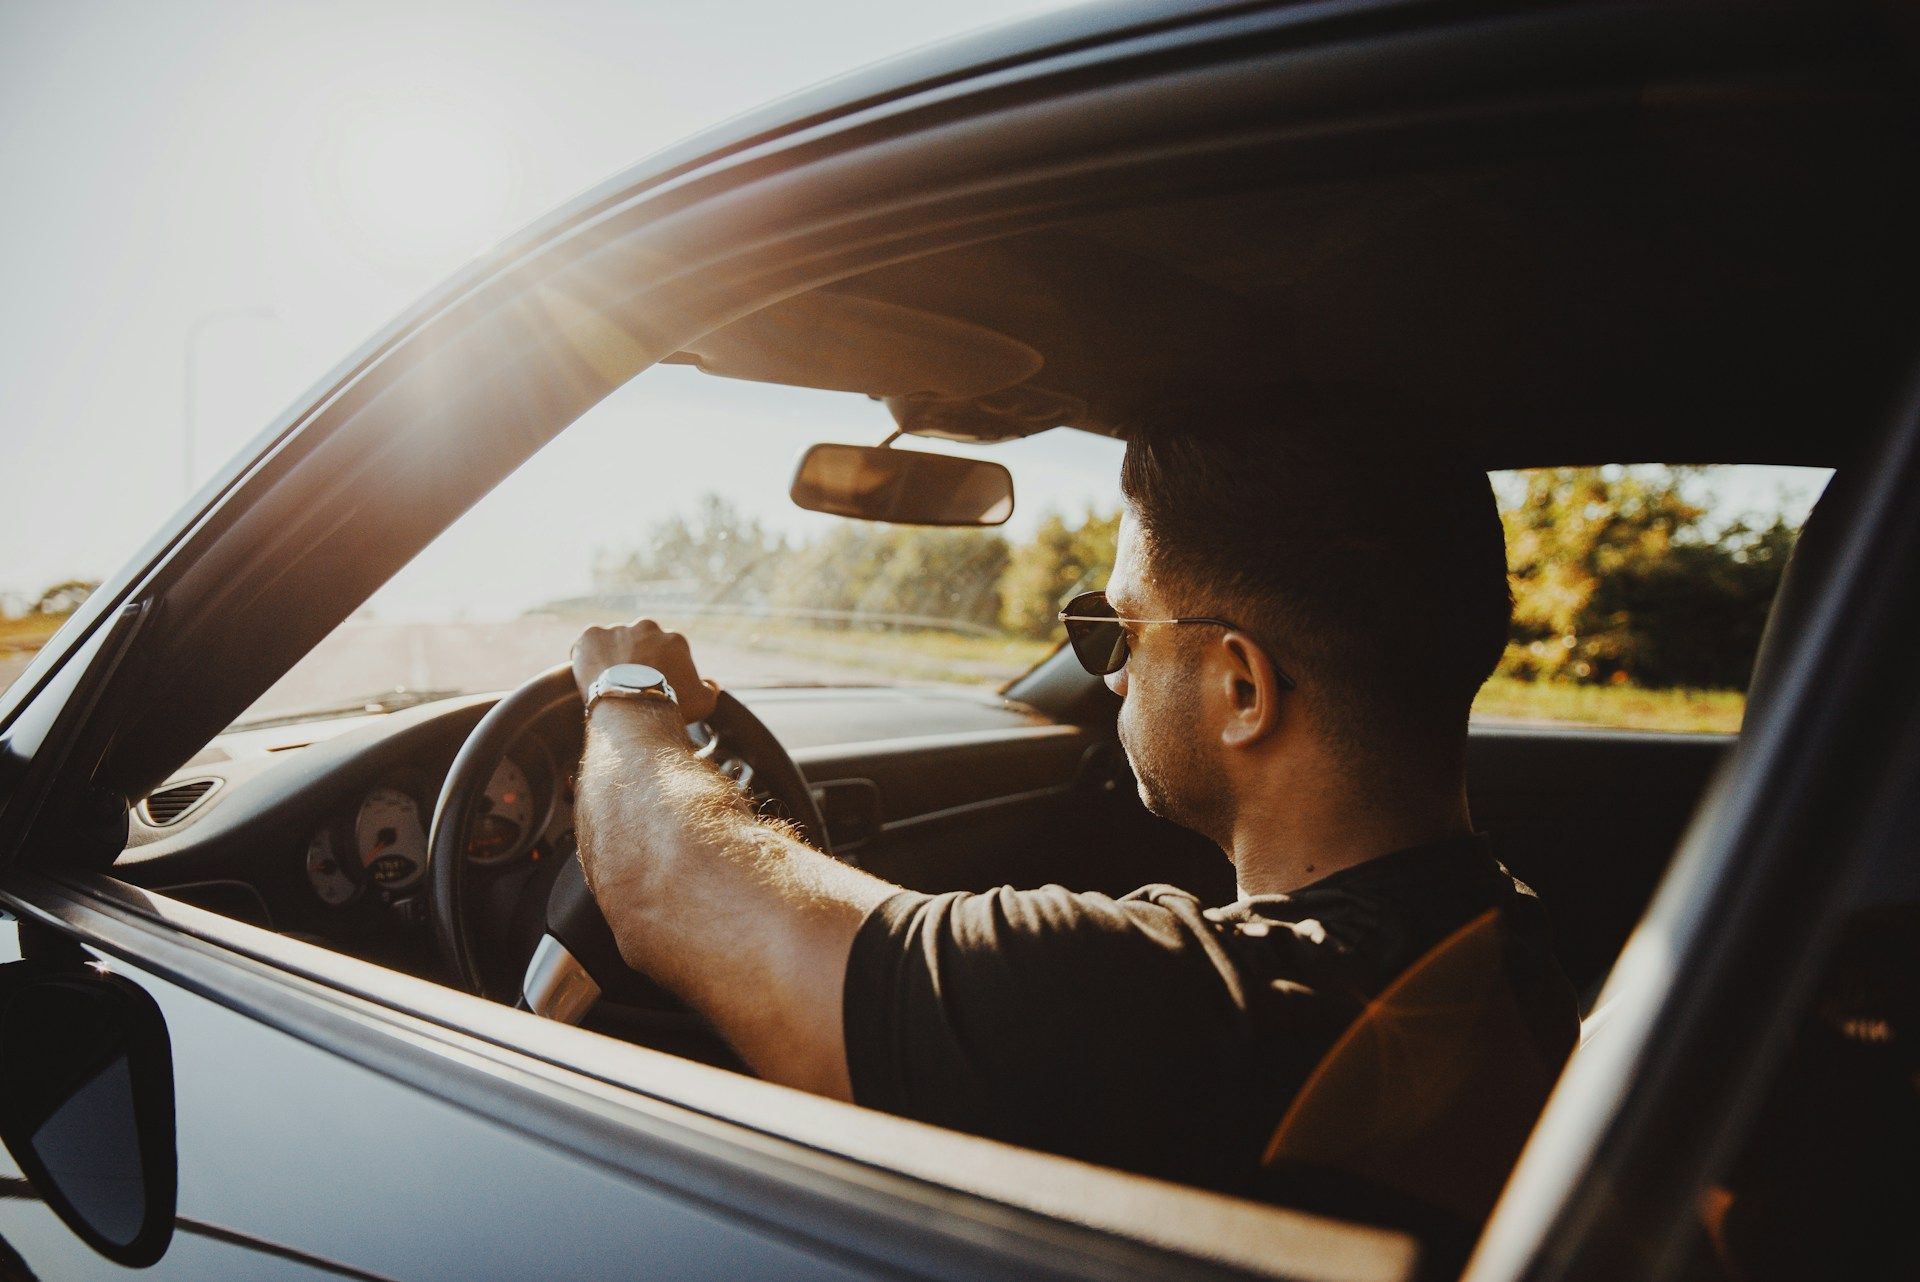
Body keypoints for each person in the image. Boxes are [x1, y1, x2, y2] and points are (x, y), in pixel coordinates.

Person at [566, 388, 1579, 1204]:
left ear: (1240, 688)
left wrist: (629, 694)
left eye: (1119, 629)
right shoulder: (1503, 935)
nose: (1109, 674)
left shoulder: (1166, 1010)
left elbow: (662, 885)